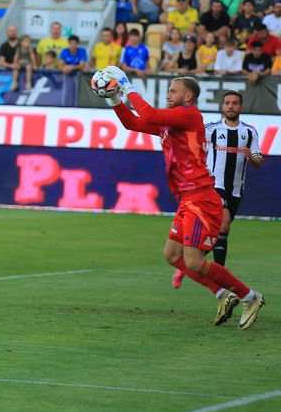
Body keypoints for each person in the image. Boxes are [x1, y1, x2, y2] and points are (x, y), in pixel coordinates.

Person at [102, 68, 265, 329]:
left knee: (193, 261)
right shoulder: (171, 124)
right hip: (187, 198)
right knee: (172, 255)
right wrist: (114, 100)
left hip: (200, 197)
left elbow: (150, 114)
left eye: (173, 91)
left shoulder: (189, 116)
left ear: (188, 96)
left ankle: (250, 297)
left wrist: (127, 86)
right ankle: (224, 294)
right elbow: (132, 123)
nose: (168, 95)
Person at [191, 91, 262, 274]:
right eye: (227, 103)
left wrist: (251, 157)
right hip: (215, 184)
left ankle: (191, 261)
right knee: (223, 223)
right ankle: (220, 275)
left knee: (220, 231)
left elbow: (258, 161)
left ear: (241, 107)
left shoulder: (249, 131)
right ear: (222, 107)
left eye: (235, 103)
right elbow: (195, 148)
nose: (231, 106)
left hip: (236, 189)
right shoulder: (211, 129)